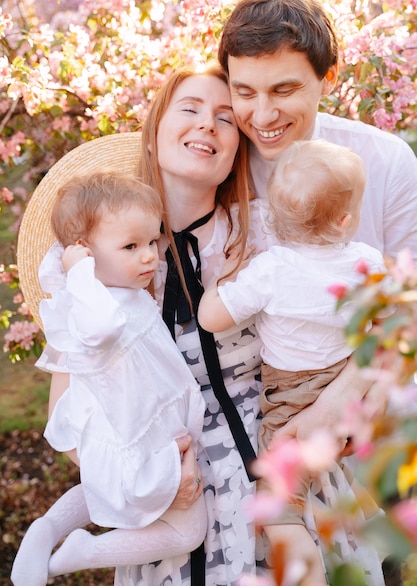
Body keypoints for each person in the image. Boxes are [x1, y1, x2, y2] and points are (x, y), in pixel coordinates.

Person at [15, 65, 386, 586]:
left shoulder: (273, 234)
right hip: (173, 494)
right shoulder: (102, 259)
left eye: (225, 118)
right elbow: (71, 414)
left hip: (279, 470)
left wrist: (334, 404)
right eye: (189, 108)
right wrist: (156, 478)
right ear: (155, 128)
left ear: (239, 147)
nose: (207, 125)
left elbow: (374, 326)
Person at [198, 138, 386, 585]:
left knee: (280, 504)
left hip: (291, 399)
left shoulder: (271, 269)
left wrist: (224, 277)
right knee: (333, 466)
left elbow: (210, 318)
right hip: (345, 384)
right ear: (345, 220)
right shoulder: (366, 262)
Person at [11, 171, 207, 586]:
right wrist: (78, 272)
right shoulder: (96, 311)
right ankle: (85, 552)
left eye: (152, 241)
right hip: (140, 437)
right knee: (188, 532)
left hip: (138, 428)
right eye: (131, 246)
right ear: (84, 254)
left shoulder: (117, 295)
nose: (150, 256)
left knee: (103, 485)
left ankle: (48, 527)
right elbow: (101, 329)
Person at [217, 0, 417, 260]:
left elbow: (407, 286)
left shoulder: (386, 162)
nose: (263, 116)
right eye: (245, 93)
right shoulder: (215, 165)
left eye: (283, 91)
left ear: (329, 78)